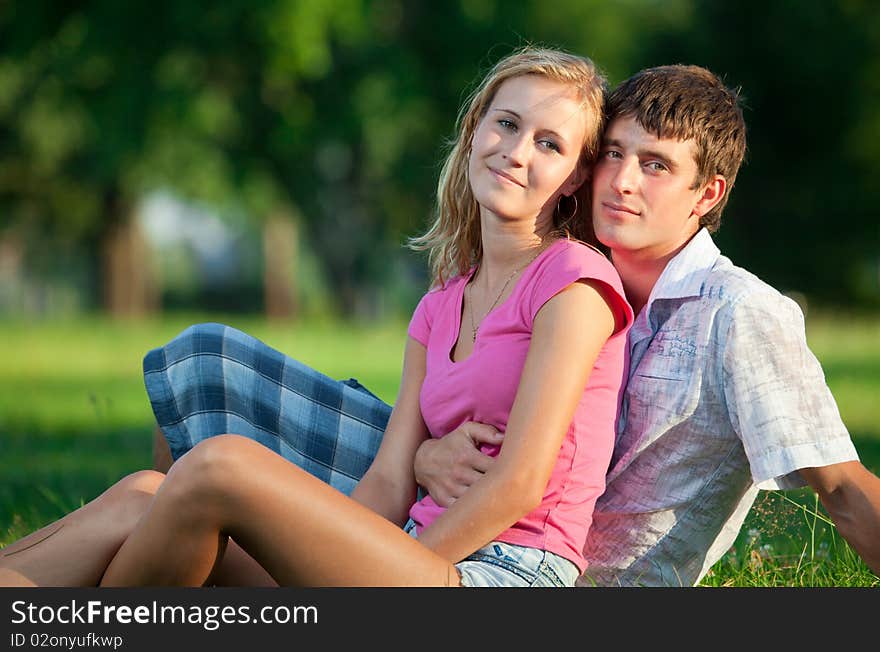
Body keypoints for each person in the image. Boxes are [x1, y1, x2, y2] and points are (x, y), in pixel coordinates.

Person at [149, 60, 880, 585]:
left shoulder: (737, 315)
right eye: (615, 155)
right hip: (455, 505)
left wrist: (410, 550)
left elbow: (843, 487)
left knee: (218, 479)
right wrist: (422, 460)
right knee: (196, 385)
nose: (623, 180)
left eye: (655, 166)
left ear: (706, 193)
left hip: (547, 566)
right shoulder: (580, 257)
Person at [0, 46, 633, 587]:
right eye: (506, 124)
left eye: (549, 144)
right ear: (475, 129)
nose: (517, 152)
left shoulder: (574, 282)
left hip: (501, 575)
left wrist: (372, 585)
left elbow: (521, 483)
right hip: (408, 556)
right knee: (145, 494)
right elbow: (388, 482)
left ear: (576, 176)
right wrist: (323, 555)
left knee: (221, 465)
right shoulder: (441, 303)